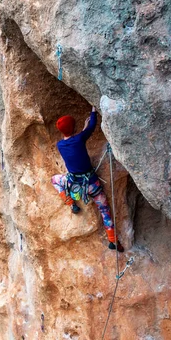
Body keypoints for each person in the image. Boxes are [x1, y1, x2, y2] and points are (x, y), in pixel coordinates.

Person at [51, 106, 124, 252]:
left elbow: (75, 139)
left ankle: (72, 204)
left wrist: (82, 130)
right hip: (92, 185)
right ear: (74, 127)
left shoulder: (60, 145)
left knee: (54, 180)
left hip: (73, 184)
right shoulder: (79, 139)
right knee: (104, 209)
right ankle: (113, 241)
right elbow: (91, 126)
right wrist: (93, 111)